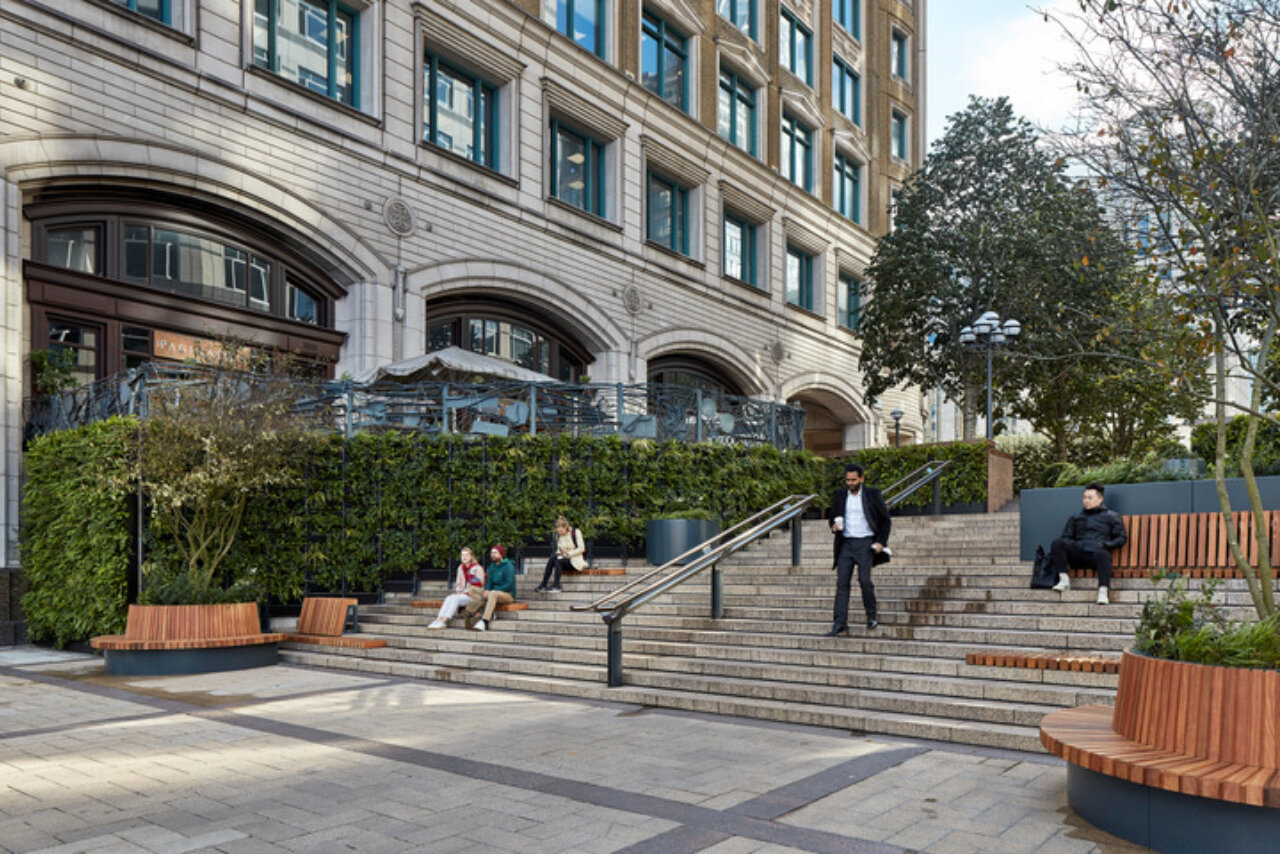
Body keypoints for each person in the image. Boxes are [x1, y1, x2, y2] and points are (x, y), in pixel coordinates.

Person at [826, 462, 892, 634]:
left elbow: (885, 520)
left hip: (865, 542)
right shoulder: (840, 495)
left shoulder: (872, 494)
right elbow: (832, 517)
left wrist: (881, 542)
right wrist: (833, 525)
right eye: (848, 480)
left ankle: (871, 616)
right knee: (842, 583)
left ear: (862, 478)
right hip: (845, 544)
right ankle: (840, 622)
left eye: (854, 480)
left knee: (864, 580)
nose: (850, 483)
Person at [1049, 481, 1127, 604]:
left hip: (1096, 555)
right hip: (1077, 554)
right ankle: (1063, 580)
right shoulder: (1076, 517)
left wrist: (1106, 544)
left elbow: (1121, 538)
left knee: (1104, 555)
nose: (1086, 500)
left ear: (1100, 499)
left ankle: (1103, 591)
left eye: (1090, 498)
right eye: (1084, 497)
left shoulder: (1111, 516)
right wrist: (1075, 544)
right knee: (1057, 543)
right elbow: (1066, 536)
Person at [428, 547, 484, 629]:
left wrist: (465, 590)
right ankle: (439, 618)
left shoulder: (477, 568)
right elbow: (458, 583)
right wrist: (459, 591)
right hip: (462, 594)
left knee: (455, 599)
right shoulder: (461, 568)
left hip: (472, 595)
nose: (464, 557)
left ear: (471, 556)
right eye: (462, 555)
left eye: (466, 555)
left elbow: (480, 584)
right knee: (449, 597)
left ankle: (445, 620)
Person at [464, 544, 517, 631]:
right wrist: (487, 590)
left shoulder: (509, 567)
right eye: (492, 553)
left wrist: (491, 591)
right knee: (473, 589)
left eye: (495, 553)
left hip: (508, 594)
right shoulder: (492, 567)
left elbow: (509, 584)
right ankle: (480, 611)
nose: (493, 555)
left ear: (501, 554)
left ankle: (485, 620)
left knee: (492, 594)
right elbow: (489, 582)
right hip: (493, 592)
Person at [534, 516, 587, 593]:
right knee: (553, 558)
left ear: (565, 527)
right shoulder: (558, 535)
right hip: (564, 558)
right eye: (558, 531)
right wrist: (559, 552)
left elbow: (582, 548)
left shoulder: (576, 532)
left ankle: (556, 586)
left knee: (558, 562)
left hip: (575, 561)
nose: (560, 533)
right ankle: (543, 584)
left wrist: (569, 553)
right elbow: (560, 548)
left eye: (561, 531)